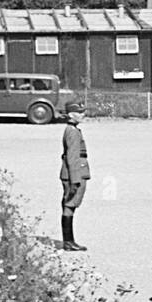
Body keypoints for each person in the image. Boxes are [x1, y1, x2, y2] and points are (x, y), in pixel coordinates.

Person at [59, 103, 90, 251]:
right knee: (69, 205)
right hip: (74, 174)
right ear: (71, 115)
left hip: (74, 173)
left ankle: (69, 241)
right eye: (79, 112)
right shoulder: (72, 132)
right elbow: (72, 158)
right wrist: (75, 180)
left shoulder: (73, 130)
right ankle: (68, 242)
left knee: (70, 205)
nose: (82, 115)